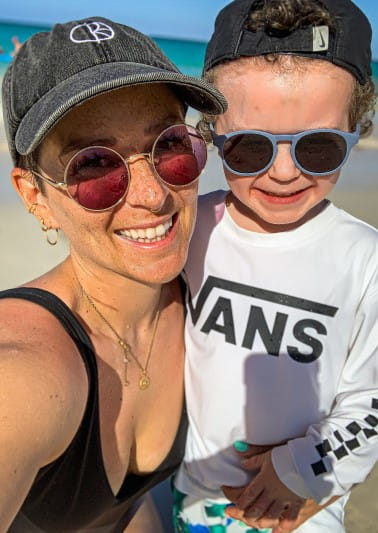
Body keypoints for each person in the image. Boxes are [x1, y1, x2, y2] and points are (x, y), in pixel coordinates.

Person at [173, 1, 378, 532]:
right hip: (187, 491)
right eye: (249, 148)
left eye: (318, 148)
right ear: (213, 133)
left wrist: (300, 466)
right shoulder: (193, 227)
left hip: (302, 506)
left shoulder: (366, 259)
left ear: (356, 128)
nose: (282, 173)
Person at [0, 16, 226, 532]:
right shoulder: (21, 375)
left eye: (169, 144)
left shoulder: (211, 292)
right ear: (36, 196)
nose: (153, 196)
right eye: (94, 164)